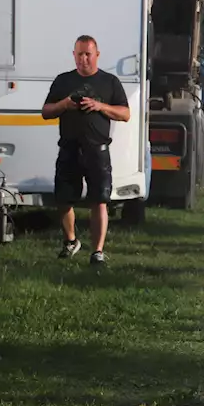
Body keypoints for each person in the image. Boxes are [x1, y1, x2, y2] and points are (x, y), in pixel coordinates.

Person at [41, 35, 131, 265]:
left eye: (87, 54)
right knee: (63, 199)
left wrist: (99, 105)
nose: (83, 59)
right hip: (69, 148)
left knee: (99, 200)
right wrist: (65, 105)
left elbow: (125, 114)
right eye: (79, 54)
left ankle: (97, 251)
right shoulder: (63, 81)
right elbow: (46, 111)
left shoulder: (109, 82)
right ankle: (71, 240)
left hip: (97, 150)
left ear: (97, 55)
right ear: (73, 55)